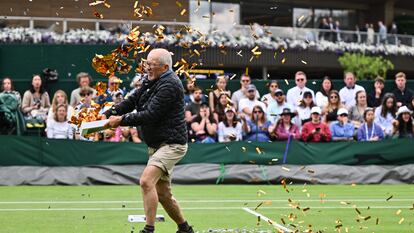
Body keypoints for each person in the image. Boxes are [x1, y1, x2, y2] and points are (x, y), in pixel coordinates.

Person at [103, 48, 193, 233]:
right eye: (147, 63)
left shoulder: (170, 85)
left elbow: (150, 114)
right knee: (164, 194)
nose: (147, 67)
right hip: (157, 144)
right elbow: (133, 99)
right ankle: (185, 229)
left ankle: (148, 229)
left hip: (172, 144)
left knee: (145, 181)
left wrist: (120, 120)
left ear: (165, 67)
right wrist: (110, 112)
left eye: (152, 64)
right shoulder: (151, 79)